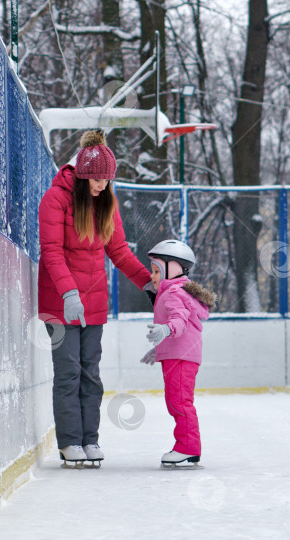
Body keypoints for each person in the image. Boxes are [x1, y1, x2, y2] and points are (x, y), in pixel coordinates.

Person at [38, 129, 154, 466]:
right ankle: (70, 442)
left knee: (91, 373)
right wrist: (69, 293)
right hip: (60, 303)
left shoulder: (106, 204)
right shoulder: (55, 199)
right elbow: (52, 252)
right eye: (97, 179)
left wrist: (147, 283)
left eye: (107, 179)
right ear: (83, 175)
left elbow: (118, 251)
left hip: (94, 302)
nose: (103, 185)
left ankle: (90, 440)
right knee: (69, 372)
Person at [139, 240, 216, 467]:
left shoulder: (174, 293)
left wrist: (165, 330)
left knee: (180, 402)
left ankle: (187, 448)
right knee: (176, 402)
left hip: (182, 358)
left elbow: (179, 322)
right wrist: (159, 349)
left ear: (173, 268)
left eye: (156, 270)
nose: (152, 276)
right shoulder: (174, 291)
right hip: (178, 355)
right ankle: (187, 447)